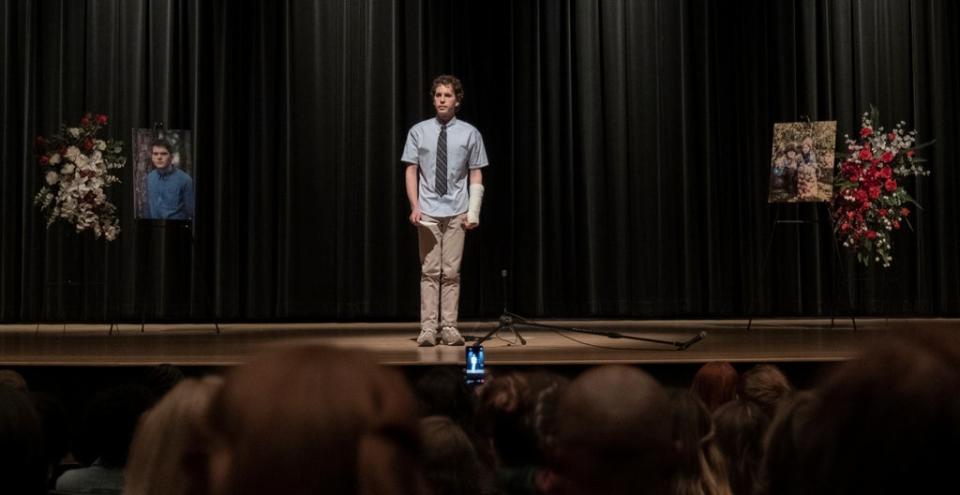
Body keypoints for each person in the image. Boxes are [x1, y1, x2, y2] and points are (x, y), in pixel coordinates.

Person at [402, 75, 489, 347]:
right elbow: (411, 169)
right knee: (430, 270)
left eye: (447, 95)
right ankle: (428, 328)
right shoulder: (419, 131)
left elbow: (476, 173)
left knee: (451, 272)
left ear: (457, 101)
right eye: (438, 95)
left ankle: (449, 326)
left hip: (456, 210)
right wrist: (415, 206)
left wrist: (473, 211)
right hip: (428, 210)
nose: (442, 99)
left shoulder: (470, 133)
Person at [146, 139, 195, 220]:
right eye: (155, 154)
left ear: (171, 157)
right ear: (152, 157)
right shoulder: (149, 177)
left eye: (164, 154)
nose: (159, 157)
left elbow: (192, 212)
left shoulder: (185, 180)